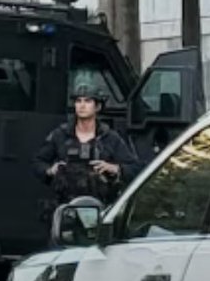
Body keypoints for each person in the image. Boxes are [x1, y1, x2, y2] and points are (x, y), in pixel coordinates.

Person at [32, 79, 138, 218]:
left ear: (97, 106)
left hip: (100, 209)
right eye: (78, 101)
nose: (82, 105)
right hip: (65, 210)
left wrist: (114, 168)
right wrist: (50, 170)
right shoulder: (61, 135)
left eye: (88, 101)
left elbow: (135, 168)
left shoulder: (109, 137)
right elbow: (37, 162)